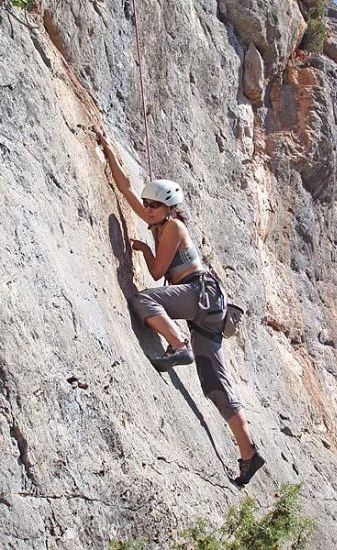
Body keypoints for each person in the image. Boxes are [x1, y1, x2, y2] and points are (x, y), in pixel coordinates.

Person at [97, 131, 265, 486]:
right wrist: (107, 149)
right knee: (214, 385)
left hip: (199, 294)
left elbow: (158, 272)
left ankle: (178, 345)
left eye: (154, 206)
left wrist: (144, 250)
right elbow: (128, 191)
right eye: (149, 205)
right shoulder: (161, 221)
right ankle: (249, 454)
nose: (148, 210)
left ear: (169, 209)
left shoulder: (172, 226)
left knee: (144, 299)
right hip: (208, 307)